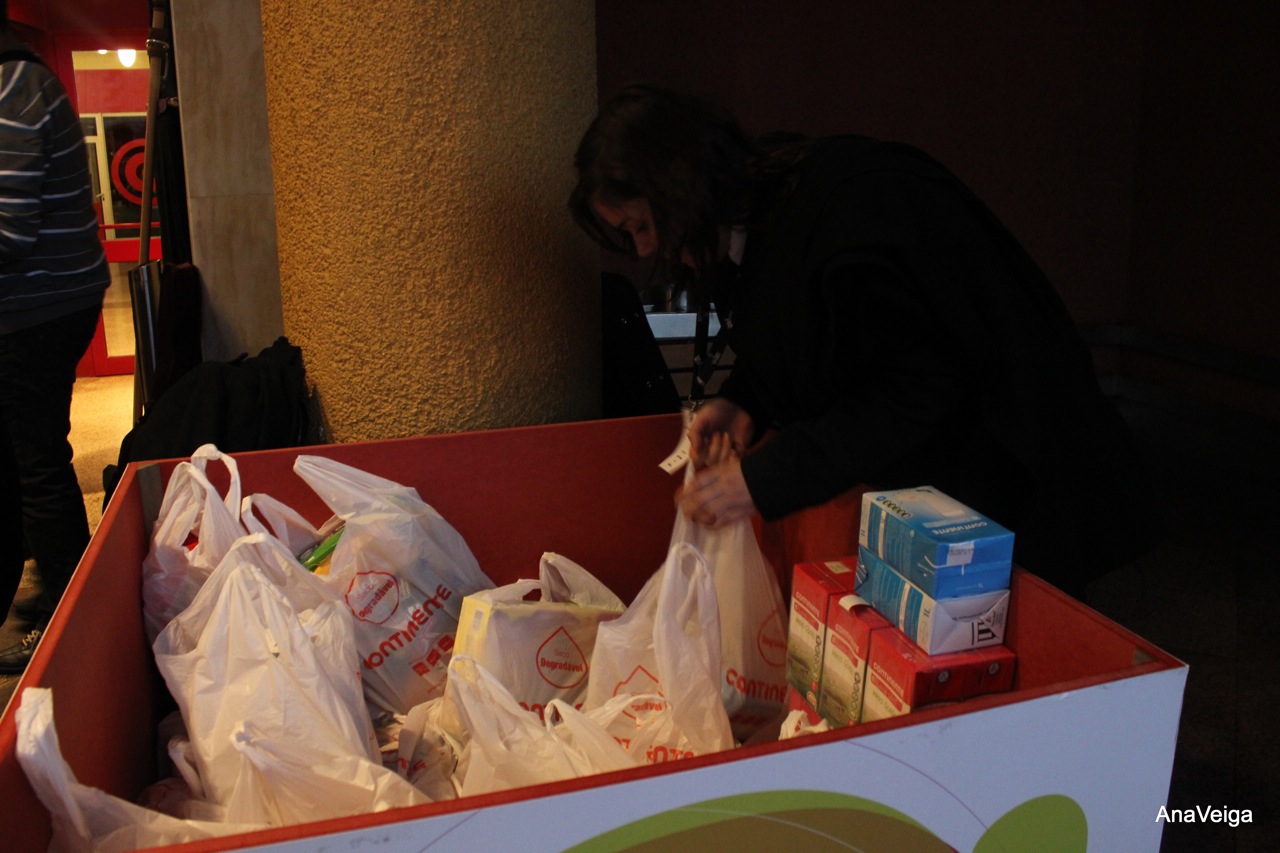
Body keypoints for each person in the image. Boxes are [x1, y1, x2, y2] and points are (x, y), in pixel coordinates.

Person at [570, 83, 1162, 598]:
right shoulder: (749, 222)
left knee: (1017, 645)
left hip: (1010, 461)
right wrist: (743, 402)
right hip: (933, 480)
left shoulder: (845, 212)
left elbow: (912, 388)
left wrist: (763, 480)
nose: (644, 249)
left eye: (643, 226)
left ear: (684, 190)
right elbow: (800, 339)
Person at [0, 8, 111, 672]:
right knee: (27, 457)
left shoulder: (12, 85)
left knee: (35, 460)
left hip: (32, 310)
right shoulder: (21, 80)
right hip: (45, 304)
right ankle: (55, 591)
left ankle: (70, 623)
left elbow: (8, 231)